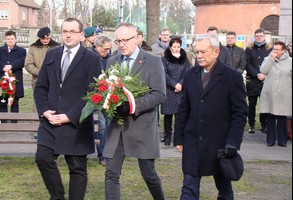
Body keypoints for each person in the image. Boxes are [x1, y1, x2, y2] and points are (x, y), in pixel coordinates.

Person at [34, 18, 102, 200]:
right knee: (43, 158)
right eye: (65, 31)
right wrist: (44, 110)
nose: (68, 34)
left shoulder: (92, 59)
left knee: (77, 168)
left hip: (76, 123)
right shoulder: (52, 55)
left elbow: (93, 94)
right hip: (50, 121)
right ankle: (58, 197)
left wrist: (70, 116)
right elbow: (40, 87)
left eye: (72, 31)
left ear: (81, 35)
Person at [173, 34, 248, 200]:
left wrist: (232, 143)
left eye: (203, 52)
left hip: (220, 143)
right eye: (196, 52)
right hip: (193, 140)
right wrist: (178, 137)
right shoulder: (190, 75)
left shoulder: (232, 77)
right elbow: (184, 108)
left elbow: (240, 113)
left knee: (224, 187)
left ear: (216, 51)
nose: (199, 56)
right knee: (189, 187)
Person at [103, 23, 166, 200]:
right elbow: (107, 91)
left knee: (149, 174)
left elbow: (159, 94)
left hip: (142, 127)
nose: (121, 44)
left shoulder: (153, 61)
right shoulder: (112, 61)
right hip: (117, 128)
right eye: (118, 41)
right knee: (111, 174)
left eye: (125, 40)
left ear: (137, 38)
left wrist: (133, 105)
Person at [259, 41, 292, 147]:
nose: (275, 51)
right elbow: (263, 70)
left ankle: (282, 141)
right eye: (274, 49)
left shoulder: (290, 61)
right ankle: (270, 140)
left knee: (282, 118)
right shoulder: (267, 59)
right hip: (270, 92)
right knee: (271, 116)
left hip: (284, 93)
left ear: (283, 51)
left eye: (278, 49)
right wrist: (271, 59)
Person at [161, 36, 190, 146]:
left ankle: (179, 138)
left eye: (178, 46)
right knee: (168, 116)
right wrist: (174, 84)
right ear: (170, 47)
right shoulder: (164, 60)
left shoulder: (185, 59)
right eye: (174, 47)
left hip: (181, 91)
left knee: (180, 115)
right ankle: (167, 136)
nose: (177, 49)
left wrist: (181, 84)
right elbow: (164, 74)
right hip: (169, 91)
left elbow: (188, 72)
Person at [245, 28, 272, 134]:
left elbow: (271, 62)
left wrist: (264, 74)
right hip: (252, 80)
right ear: (254, 36)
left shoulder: (270, 49)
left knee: (264, 104)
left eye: (261, 35)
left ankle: (263, 124)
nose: (259, 37)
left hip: (265, 80)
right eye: (257, 36)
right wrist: (256, 74)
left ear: (264, 36)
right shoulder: (249, 49)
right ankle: (251, 125)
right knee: (252, 104)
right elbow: (247, 63)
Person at [93, 35, 113, 166]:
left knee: (109, 124)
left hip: (108, 97)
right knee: (101, 126)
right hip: (94, 97)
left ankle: (109, 153)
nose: (108, 51)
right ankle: (102, 155)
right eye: (105, 49)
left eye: (110, 49)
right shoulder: (90, 58)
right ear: (98, 47)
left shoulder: (110, 59)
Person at [0, 30, 26, 122]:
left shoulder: (22, 51)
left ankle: (14, 125)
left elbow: (22, 61)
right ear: (5, 40)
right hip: (2, 81)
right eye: (8, 39)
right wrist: (3, 68)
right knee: (2, 103)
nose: (10, 40)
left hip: (15, 81)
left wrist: (11, 66)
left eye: (12, 39)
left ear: (15, 39)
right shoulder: (1, 50)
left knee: (14, 103)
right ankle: (3, 125)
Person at [286, 41, 292, 140]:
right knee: (288, 113)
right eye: (290, 45)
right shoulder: (286, 58)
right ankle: (288, 132)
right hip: (287, 87)